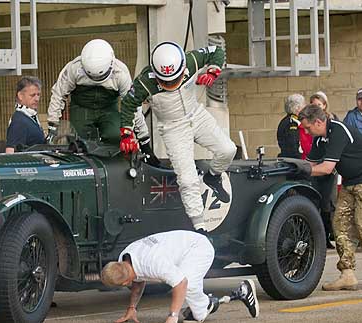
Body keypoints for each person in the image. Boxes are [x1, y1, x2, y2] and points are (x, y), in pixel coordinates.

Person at [118, 41, 237, 233]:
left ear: (182, 68)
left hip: (196, 115)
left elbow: (217, 51)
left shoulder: (191, 60)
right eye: (166, 82)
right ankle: (200, 227)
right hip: (173, 127)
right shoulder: (144, 81)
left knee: (228, 149)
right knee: (187, 179)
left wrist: (213, 71)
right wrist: (126, 133)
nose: (171, 84)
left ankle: (213, 177)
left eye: (175, 79)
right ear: (157, 75)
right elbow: (128, 104)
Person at [298, 104, 362, 291]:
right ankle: (347, 273)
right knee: (340, 224)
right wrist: (296, 168)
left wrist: (302, 170)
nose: (306, 131)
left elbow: (325, 168)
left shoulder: (338, 131)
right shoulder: (319, 140)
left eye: (307, 127)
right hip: (350, 182)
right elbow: (309, 164)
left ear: (318, 122)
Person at [101, 230, 259, 323]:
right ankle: (209, 303)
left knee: (189, 288)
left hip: (198, 248)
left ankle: (241, 292)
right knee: (197, 310)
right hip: (182, 249)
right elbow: (137, 282)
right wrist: (132, 308)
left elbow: (180, 283)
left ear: (124, 283)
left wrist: (172, 316)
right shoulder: (125, 257)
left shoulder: (153, 264)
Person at [309, 91, 337, 249]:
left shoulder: (331, 121)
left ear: (325, 105)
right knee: (317, 203)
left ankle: (328, 235)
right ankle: (320, 238)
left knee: (328, 203)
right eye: (313, 105)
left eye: (318, 105)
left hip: (328, 168)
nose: (316, 108)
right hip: (316, 166)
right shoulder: (310, 123)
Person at [5, 76, 46, 153]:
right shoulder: (19, 121)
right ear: (20, 95)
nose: (37, 99)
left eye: (38, 95)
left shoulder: (29, 117)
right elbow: (11, 152)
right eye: (32, 95)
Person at [277, 93, 312, 159]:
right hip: (294, 161)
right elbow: (293, 147)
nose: (305, 107)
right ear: (297, 108)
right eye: (303, 105)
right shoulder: (292, 123)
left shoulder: (290, 120)